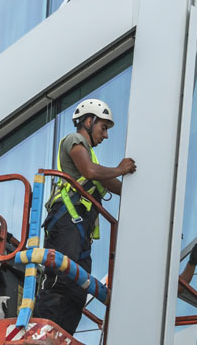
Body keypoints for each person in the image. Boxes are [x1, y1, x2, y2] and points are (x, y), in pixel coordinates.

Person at [34, 99, 136, 334]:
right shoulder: (74, 141)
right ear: (88, 122)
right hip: (66, 222)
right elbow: (89, 171)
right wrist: (121, 168)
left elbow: (113, 184)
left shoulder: (93, 159)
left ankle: (63, 335)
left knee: (78, 288)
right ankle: (40, 332)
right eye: (103, 128)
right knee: (61, 279)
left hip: (79, 232)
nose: (106, 135)